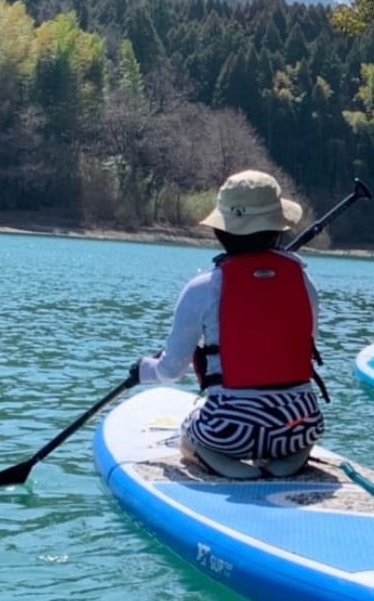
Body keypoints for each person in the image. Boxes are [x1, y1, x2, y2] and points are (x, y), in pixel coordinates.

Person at [128, 169, 325, 479]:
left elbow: (170, 372)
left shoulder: (202, 288)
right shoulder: (302, 279)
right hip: (298, 424)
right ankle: (293, 456)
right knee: (296, 425)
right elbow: (306, 338)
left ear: (221, 231)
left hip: (229, 431)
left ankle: (215, 459)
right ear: (277, 230)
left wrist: (143, 369)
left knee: (189, 434)